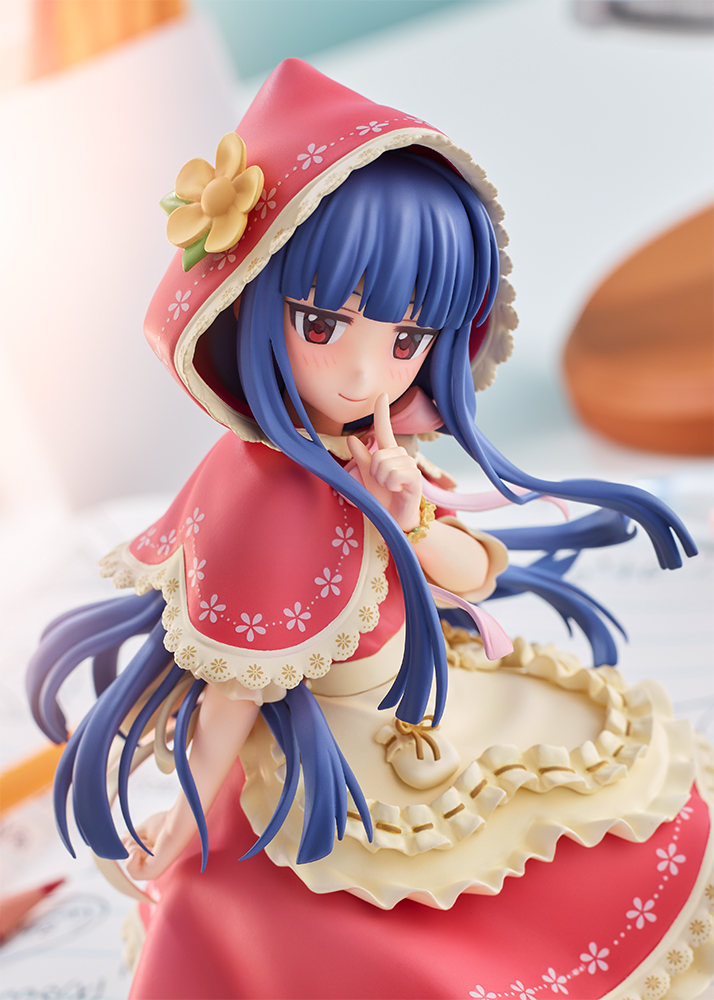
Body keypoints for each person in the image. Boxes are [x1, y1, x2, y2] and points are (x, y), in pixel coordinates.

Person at [28, 60, 712, 999]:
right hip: (322, 753)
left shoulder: (380, 452)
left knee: (594, 826)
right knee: (321, 919)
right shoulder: (256, 493)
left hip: (433, 709)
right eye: (321, 323)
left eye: (404, 341)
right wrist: (187, 814)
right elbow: (235, 683)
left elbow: (470, 575)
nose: (362, 374)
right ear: (246, 299)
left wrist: (408, 518)